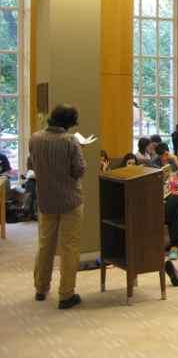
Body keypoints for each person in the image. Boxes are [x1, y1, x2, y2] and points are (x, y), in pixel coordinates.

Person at [28, 104, 87, 310]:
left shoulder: (35, 138)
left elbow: (32, 165)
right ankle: (66, 294)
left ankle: (41, 288)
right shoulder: (70, 141)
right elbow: (79, 170)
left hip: (46, 199)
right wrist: (81, 150)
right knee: (69, 248)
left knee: (45, 245)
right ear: (69, 123)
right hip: (70, 200)